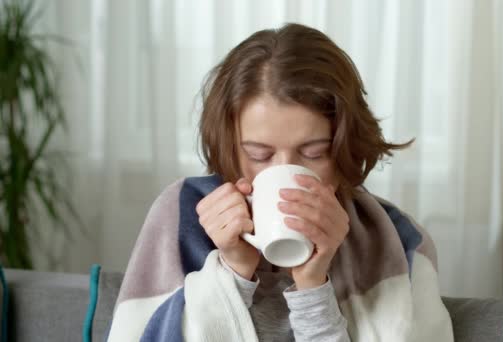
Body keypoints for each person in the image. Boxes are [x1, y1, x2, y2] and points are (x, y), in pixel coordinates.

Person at [107, 23, 453, 342]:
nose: (286, 172)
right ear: (230, 146)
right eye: (259, 155)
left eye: (314, 153)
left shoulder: (399, 243)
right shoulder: (181, 218)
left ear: (344, 146)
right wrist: (234, 271)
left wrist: (313, 286)